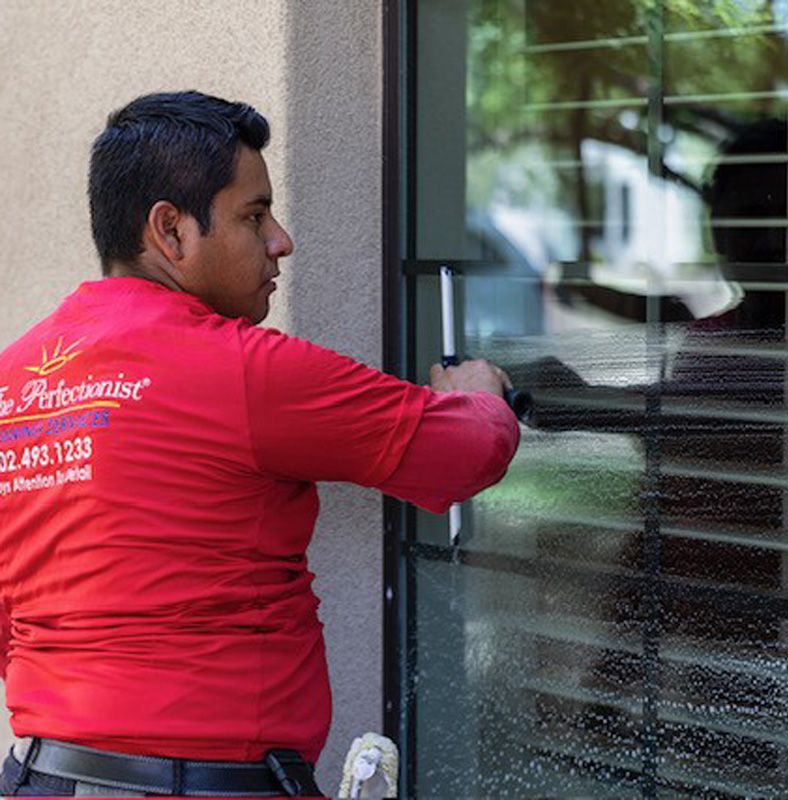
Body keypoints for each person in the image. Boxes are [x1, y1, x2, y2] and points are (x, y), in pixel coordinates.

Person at [0, 91, 520, 797]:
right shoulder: (242, 370)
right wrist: (482, 392)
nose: (281, 239)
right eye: (253, 215)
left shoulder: (15, 379)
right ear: (171, 230)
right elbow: (463, 451)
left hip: (38, 777)